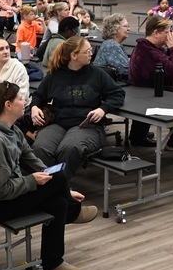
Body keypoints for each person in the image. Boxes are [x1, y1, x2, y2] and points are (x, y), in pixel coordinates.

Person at [0, 82, 95, 270]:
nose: (25, 101)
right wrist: (32, 181)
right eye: (20, 99)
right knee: (59, 177)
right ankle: (74, 212)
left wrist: (63, 191)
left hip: (12, 191)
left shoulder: (12, 130)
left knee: (58, 200)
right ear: (8, 105)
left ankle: (52, 262)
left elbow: (34, 162)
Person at [30, 36, 125, 179]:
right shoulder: (55, 74)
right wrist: (34, 107)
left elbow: (117, 94)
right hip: (59, 123)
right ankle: (51, 188)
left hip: (87, 125)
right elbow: (39, 95)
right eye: (87, 51)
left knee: (69, 148)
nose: (91, 53)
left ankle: (61, 189)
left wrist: (103, 108)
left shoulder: (96, 73)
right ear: (74, 56)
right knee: (40, 148)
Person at [127, 15, 173, 148]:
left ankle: (138, 136)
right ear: (156, 33)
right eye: (167, 32)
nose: (170, 36)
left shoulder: (144, 48)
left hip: (143, 94)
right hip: (153, 98)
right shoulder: (150, 53)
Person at [0, 37, 30, 104]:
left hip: (15, 110)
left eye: (7, 48)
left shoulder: (18, 67)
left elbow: (23, 96)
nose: (6, 51)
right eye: (1, 49)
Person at [94, 14, 131, 82]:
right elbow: (125, 70)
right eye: (125, 26)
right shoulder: (111, 46)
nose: (129, 29)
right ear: (115, 29)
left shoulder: (110, 43)